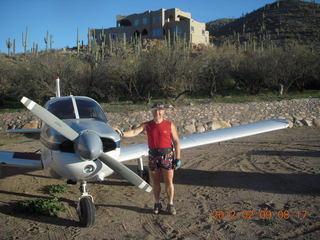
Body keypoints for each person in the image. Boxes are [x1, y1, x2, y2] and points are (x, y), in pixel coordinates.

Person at [115, 103, 181, 215]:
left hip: (167, 156)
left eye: (160, 110)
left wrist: (177, 158)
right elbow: (135, 132)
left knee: (169, 181)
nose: (157, 112)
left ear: (164, 111)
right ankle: (157, 203)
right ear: (152, 111)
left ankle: (170, 204)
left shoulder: (170, 125)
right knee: (155, 182)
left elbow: (176, 141)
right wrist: (121, 133)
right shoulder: (147, 125)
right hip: (153, 157)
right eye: (155, 110)